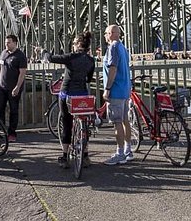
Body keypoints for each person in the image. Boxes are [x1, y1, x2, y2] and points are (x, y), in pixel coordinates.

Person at [47, 31, 95, 168]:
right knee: (84, 123)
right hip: (82, 95)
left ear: (79, 44)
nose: (72, 45)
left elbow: (50, 58)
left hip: (67, 94)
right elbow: (89, 79)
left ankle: (64, 156)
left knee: (66, 123)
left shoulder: (70, 57)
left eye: (74, 43)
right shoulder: (91, 60)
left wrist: (43, 51)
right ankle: (85, 156)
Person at [102, 24, 133, 165]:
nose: (105, 36)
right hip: (125, 89)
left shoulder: (113, 47)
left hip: (116, 90)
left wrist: (107, 88)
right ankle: (128, 150)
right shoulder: (123, 48)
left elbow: (113, 69)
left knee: (117, 122)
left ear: (113, 33)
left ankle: (119, 153)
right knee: (125, 120)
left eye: (106, 33)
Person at [0, 34, 28, 142]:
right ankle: (0, 131)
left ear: (15, 43)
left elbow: (22, 73)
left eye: (9, 42)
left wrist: (17, 87)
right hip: (1, 87)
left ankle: (12, 133)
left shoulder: (20, 56)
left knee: (13, 110)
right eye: (6, 42)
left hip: (13, 89)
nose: (6, 44)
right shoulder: (4, 53)